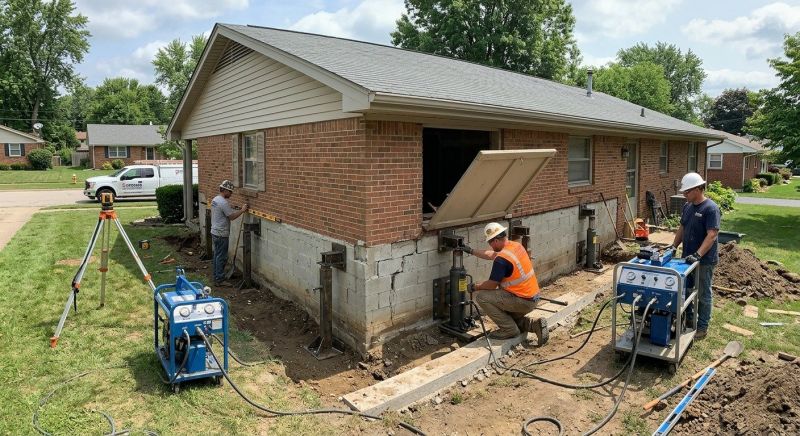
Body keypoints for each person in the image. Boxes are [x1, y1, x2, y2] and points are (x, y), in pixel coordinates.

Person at [463, 222, 548, 344]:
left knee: (482, 297)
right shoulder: (515, 246)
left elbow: (491, 285)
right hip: (532, 297)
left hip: (521, 301)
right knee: (507, 317)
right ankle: (534, 325)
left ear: (496, 241)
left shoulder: (501, 260)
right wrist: (470, 251)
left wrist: (475, 286)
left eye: (490, 243)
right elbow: (492, 254)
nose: (490, 246)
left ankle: (509, 330)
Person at [670, 172, 720, 340]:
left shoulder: (710, 208)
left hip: (704, 260)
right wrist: (673, 246)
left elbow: (712, 234)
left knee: (704, 295)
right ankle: (689, 318)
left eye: (687, 192)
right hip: (687, 259)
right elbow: (682, 228)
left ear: (699, 189)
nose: (684, 195)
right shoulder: (687, 207)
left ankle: (702, 326)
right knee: (685, 290)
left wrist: (698, 254)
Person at [211, 180, 248, 285]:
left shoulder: (216, 199)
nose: (231, 194)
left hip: (215, 232)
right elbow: (231, 217)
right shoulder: (223, 202)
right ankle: (220, 279)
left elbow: (224, 212)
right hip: (221, 233)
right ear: (225, 190)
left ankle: (216, 276)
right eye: (230, 192)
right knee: (222, 257)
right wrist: (242, 210)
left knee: (217, 256)